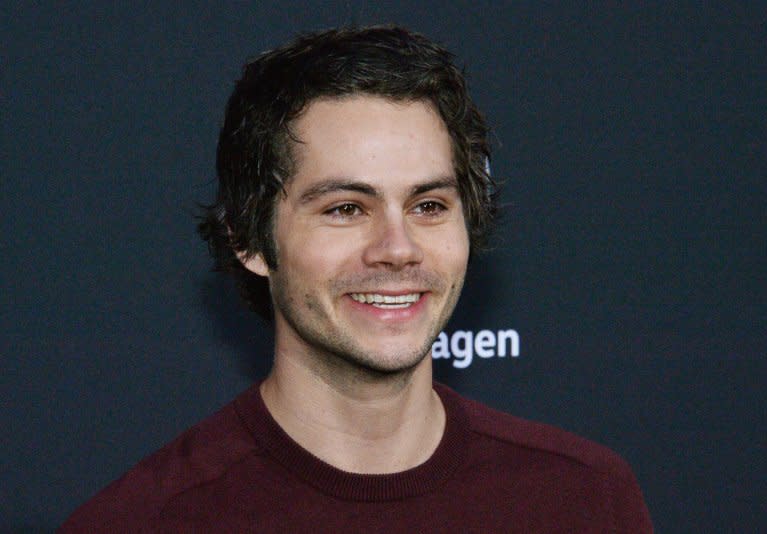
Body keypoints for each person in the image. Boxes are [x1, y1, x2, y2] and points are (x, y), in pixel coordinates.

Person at [61, 25, 653, 532]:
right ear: (248, 238)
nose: (397, 249)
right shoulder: (141, 521)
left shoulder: (583, 501)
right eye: (346, 208)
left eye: (428, 206)